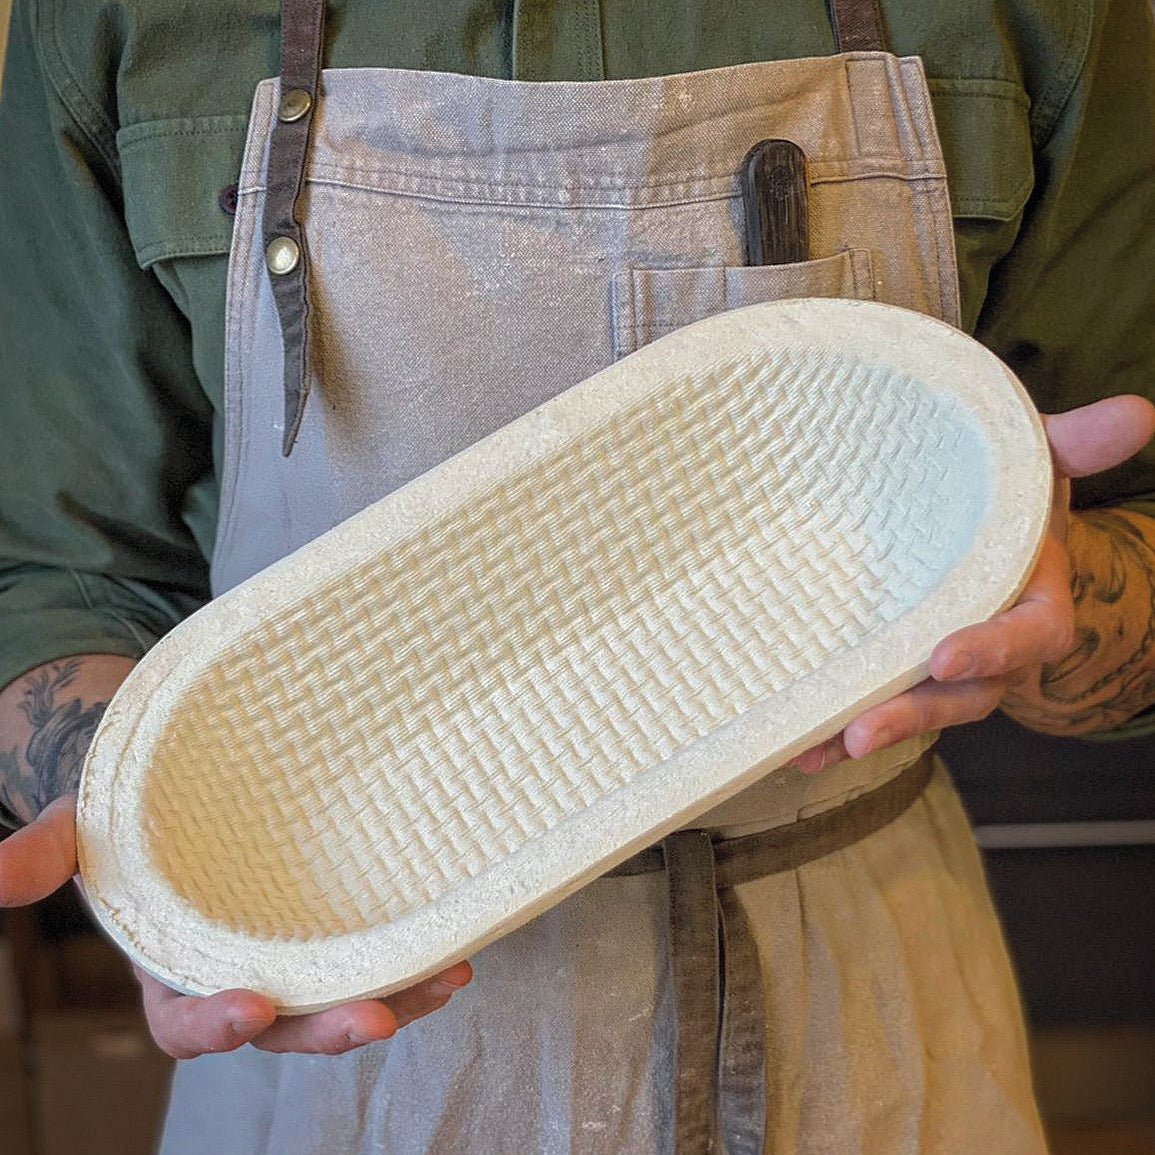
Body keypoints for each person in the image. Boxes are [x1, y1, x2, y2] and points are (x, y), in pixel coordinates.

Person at [1, 0, 1153, 1151]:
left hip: (862, 1009)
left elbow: (1126, 530)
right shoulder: (113, 20)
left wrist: (1056, 591)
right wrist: (140, 853)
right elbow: (57, 574)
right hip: (345, 1027)